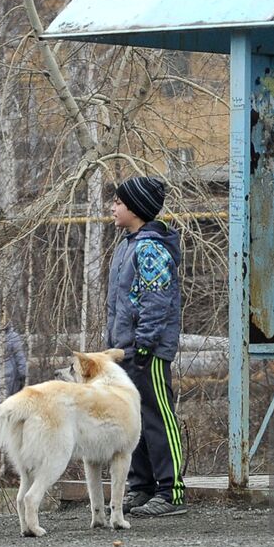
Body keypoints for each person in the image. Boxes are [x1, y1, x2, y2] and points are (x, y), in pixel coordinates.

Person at [105, 175, 188, 517]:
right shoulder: (127, 244)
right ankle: (142, 486)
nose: (113, 207)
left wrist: (144, 344)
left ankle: (171, 492)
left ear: (136, 209)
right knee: (131, 418)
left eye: (119, 203)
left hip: (147, 352)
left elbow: (158, 301)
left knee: (156, 415)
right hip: (123, 350)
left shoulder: (150, 247)